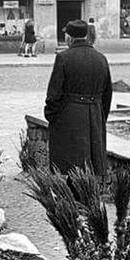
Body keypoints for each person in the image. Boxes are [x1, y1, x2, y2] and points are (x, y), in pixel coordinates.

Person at [44, 19, 112, 176]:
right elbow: (107, 94)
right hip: (94, 117)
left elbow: (53, 94)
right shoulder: (101, 58)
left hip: (68, 118)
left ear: (69, 38)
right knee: (92, 167)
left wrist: (52, 117)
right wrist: (99, 117)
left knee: (68, 168)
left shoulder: (63, 58)